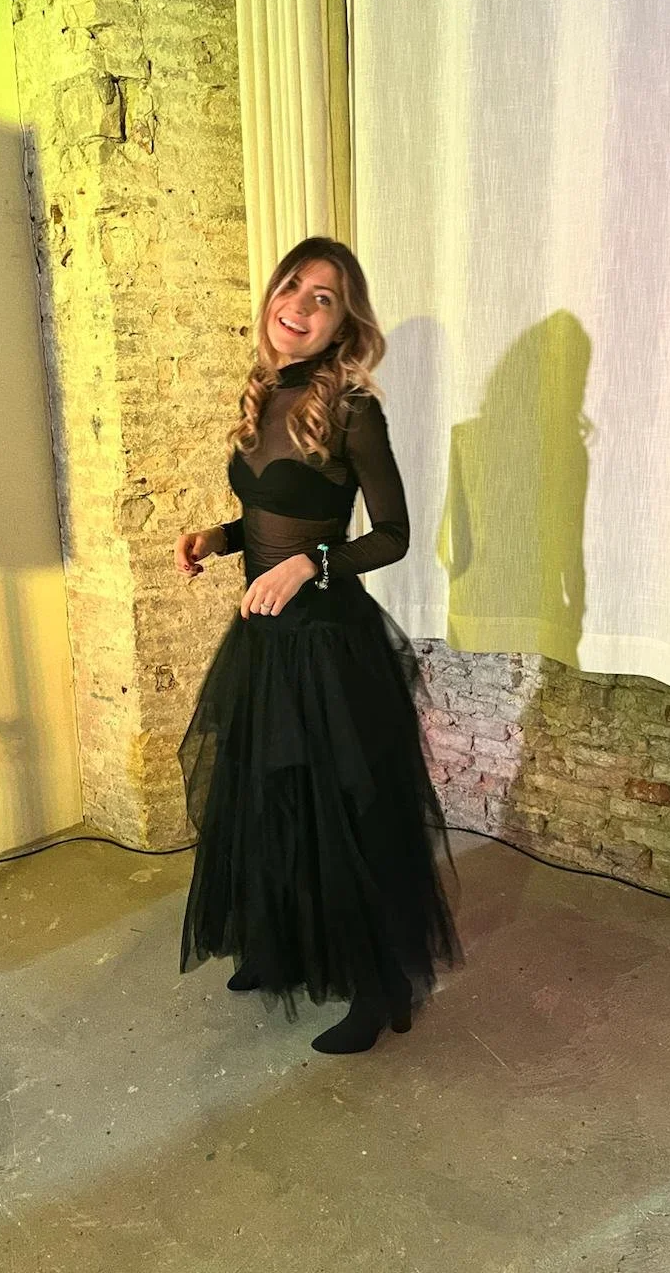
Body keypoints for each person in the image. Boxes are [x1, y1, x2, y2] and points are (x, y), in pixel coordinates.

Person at [173, 236, 463, 1054]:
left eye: (323, 298)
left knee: (346, 814)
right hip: (264, 642)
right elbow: (272, 512)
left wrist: (310, 564)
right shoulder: (265, 394)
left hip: (329, 646)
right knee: (271, 798)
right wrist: (220, 538)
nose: (298, 306)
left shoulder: (353, 409)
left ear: (344, 325)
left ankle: (377, 988)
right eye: (292, 286)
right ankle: (279, 946)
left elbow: (393, 535)